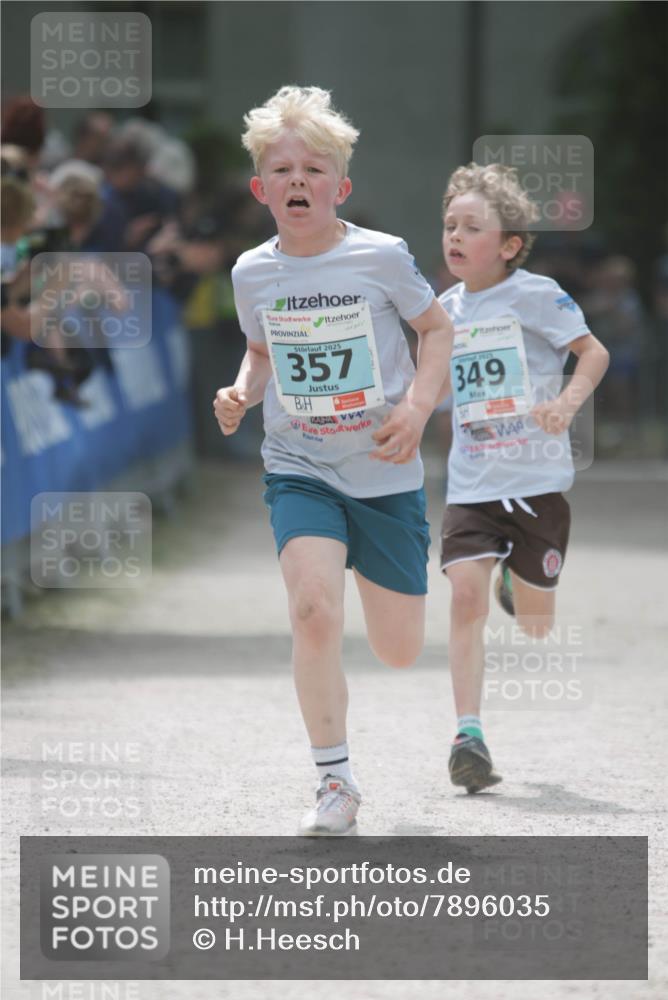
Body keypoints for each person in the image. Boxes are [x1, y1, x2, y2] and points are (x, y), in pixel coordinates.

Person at [213, 86, 453, 835]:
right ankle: (335, 782)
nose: (297, 182)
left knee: (400, 648)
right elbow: (260, 349)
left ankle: (389, 570)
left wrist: (415, 408)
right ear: (261, 188)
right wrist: (243, 392)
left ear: (339, 187)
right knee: (313, 609)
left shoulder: (380, 257)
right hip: (299, 464)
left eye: (314, 169)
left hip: (383, 470)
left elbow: (437, 330)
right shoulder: (252, 272)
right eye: (281, 169)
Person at [438, 163, 609, 793]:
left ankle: (520, 577)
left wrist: (566, 403)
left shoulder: (536, 294)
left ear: (508, 245)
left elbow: (594, 351)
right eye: (449, 225)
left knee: (536, 622)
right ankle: (468, 734)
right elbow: (429, 386)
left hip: (536, 483)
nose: (454, 236)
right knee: (463, 597)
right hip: (473, 487)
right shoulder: (441, 313)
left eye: (471, 227)